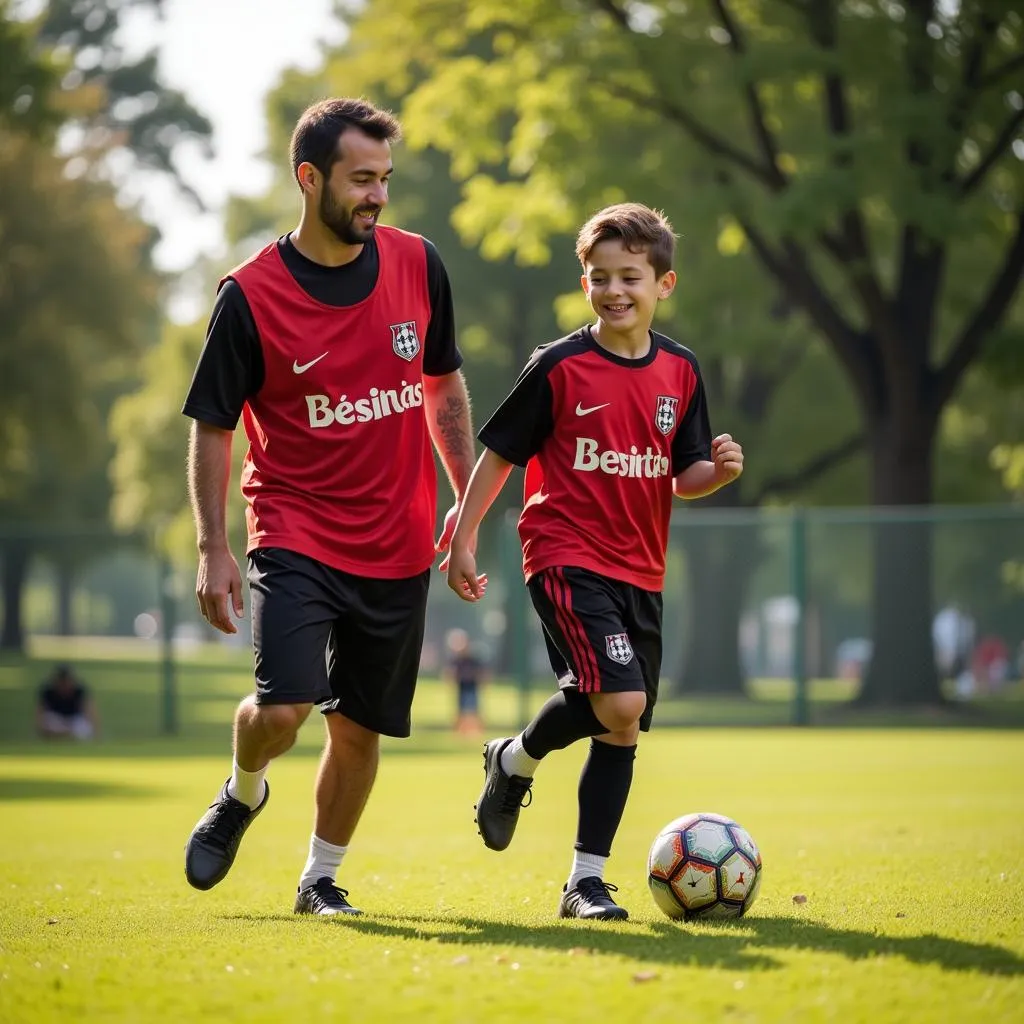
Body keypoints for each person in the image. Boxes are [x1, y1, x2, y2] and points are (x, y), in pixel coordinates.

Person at [181, 97, 478, 916]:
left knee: (359, 729)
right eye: (361, 179)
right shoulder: (250, 295)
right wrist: (213, 548)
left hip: (400, 540)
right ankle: (243, 792)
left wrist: (463, 503)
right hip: (296, 530)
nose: (377, 196)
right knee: (283, 709)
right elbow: (212, 428)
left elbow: (442, 382)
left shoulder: (420, 263)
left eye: (384, 178)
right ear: (310, 179)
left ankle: (320, 878)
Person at [445, 202, 744, 921]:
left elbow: (685, 473)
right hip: (564, 553)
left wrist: (720, 476)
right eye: (599, 277)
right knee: (622, 701)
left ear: (663, 284)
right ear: (585, 281)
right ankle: (519, 768)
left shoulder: (681, 371)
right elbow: (501, 456)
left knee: (621, 724)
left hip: (642, 570)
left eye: (631, 277)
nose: (615, 290)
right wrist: (464, 532)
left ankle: (577, 868)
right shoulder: (558, 366)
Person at [36, 664, 98, 740]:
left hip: (74, 720)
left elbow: (90, 711)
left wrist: (96, 732)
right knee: (49, 722)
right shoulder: (48, 691)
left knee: (83, 728)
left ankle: (66, 735)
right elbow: (40, 712)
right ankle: (64, 735)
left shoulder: (79, 690)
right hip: (56, 719)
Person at [444, 628, 487, 735]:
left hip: (472, 686)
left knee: (474, 709)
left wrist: (482, 680)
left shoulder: (473, 659)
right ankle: (459, 730)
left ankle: (478, 730)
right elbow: (450, 673)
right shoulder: (456, 660)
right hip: (462, 686)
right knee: (461, 710)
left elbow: (481, 672)